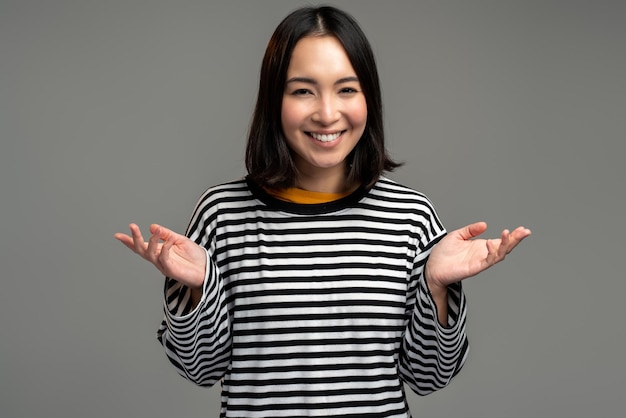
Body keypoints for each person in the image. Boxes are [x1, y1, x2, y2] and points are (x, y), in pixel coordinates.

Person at [115, 5, 531, 418]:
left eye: (347, 89)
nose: (327, 113)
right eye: (303, 91)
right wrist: (199, 288)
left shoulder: (411, 217)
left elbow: (429, 377)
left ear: (369, 97)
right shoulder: (222, 215)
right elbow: (199, 369)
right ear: (273, 99)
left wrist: (435, 287)